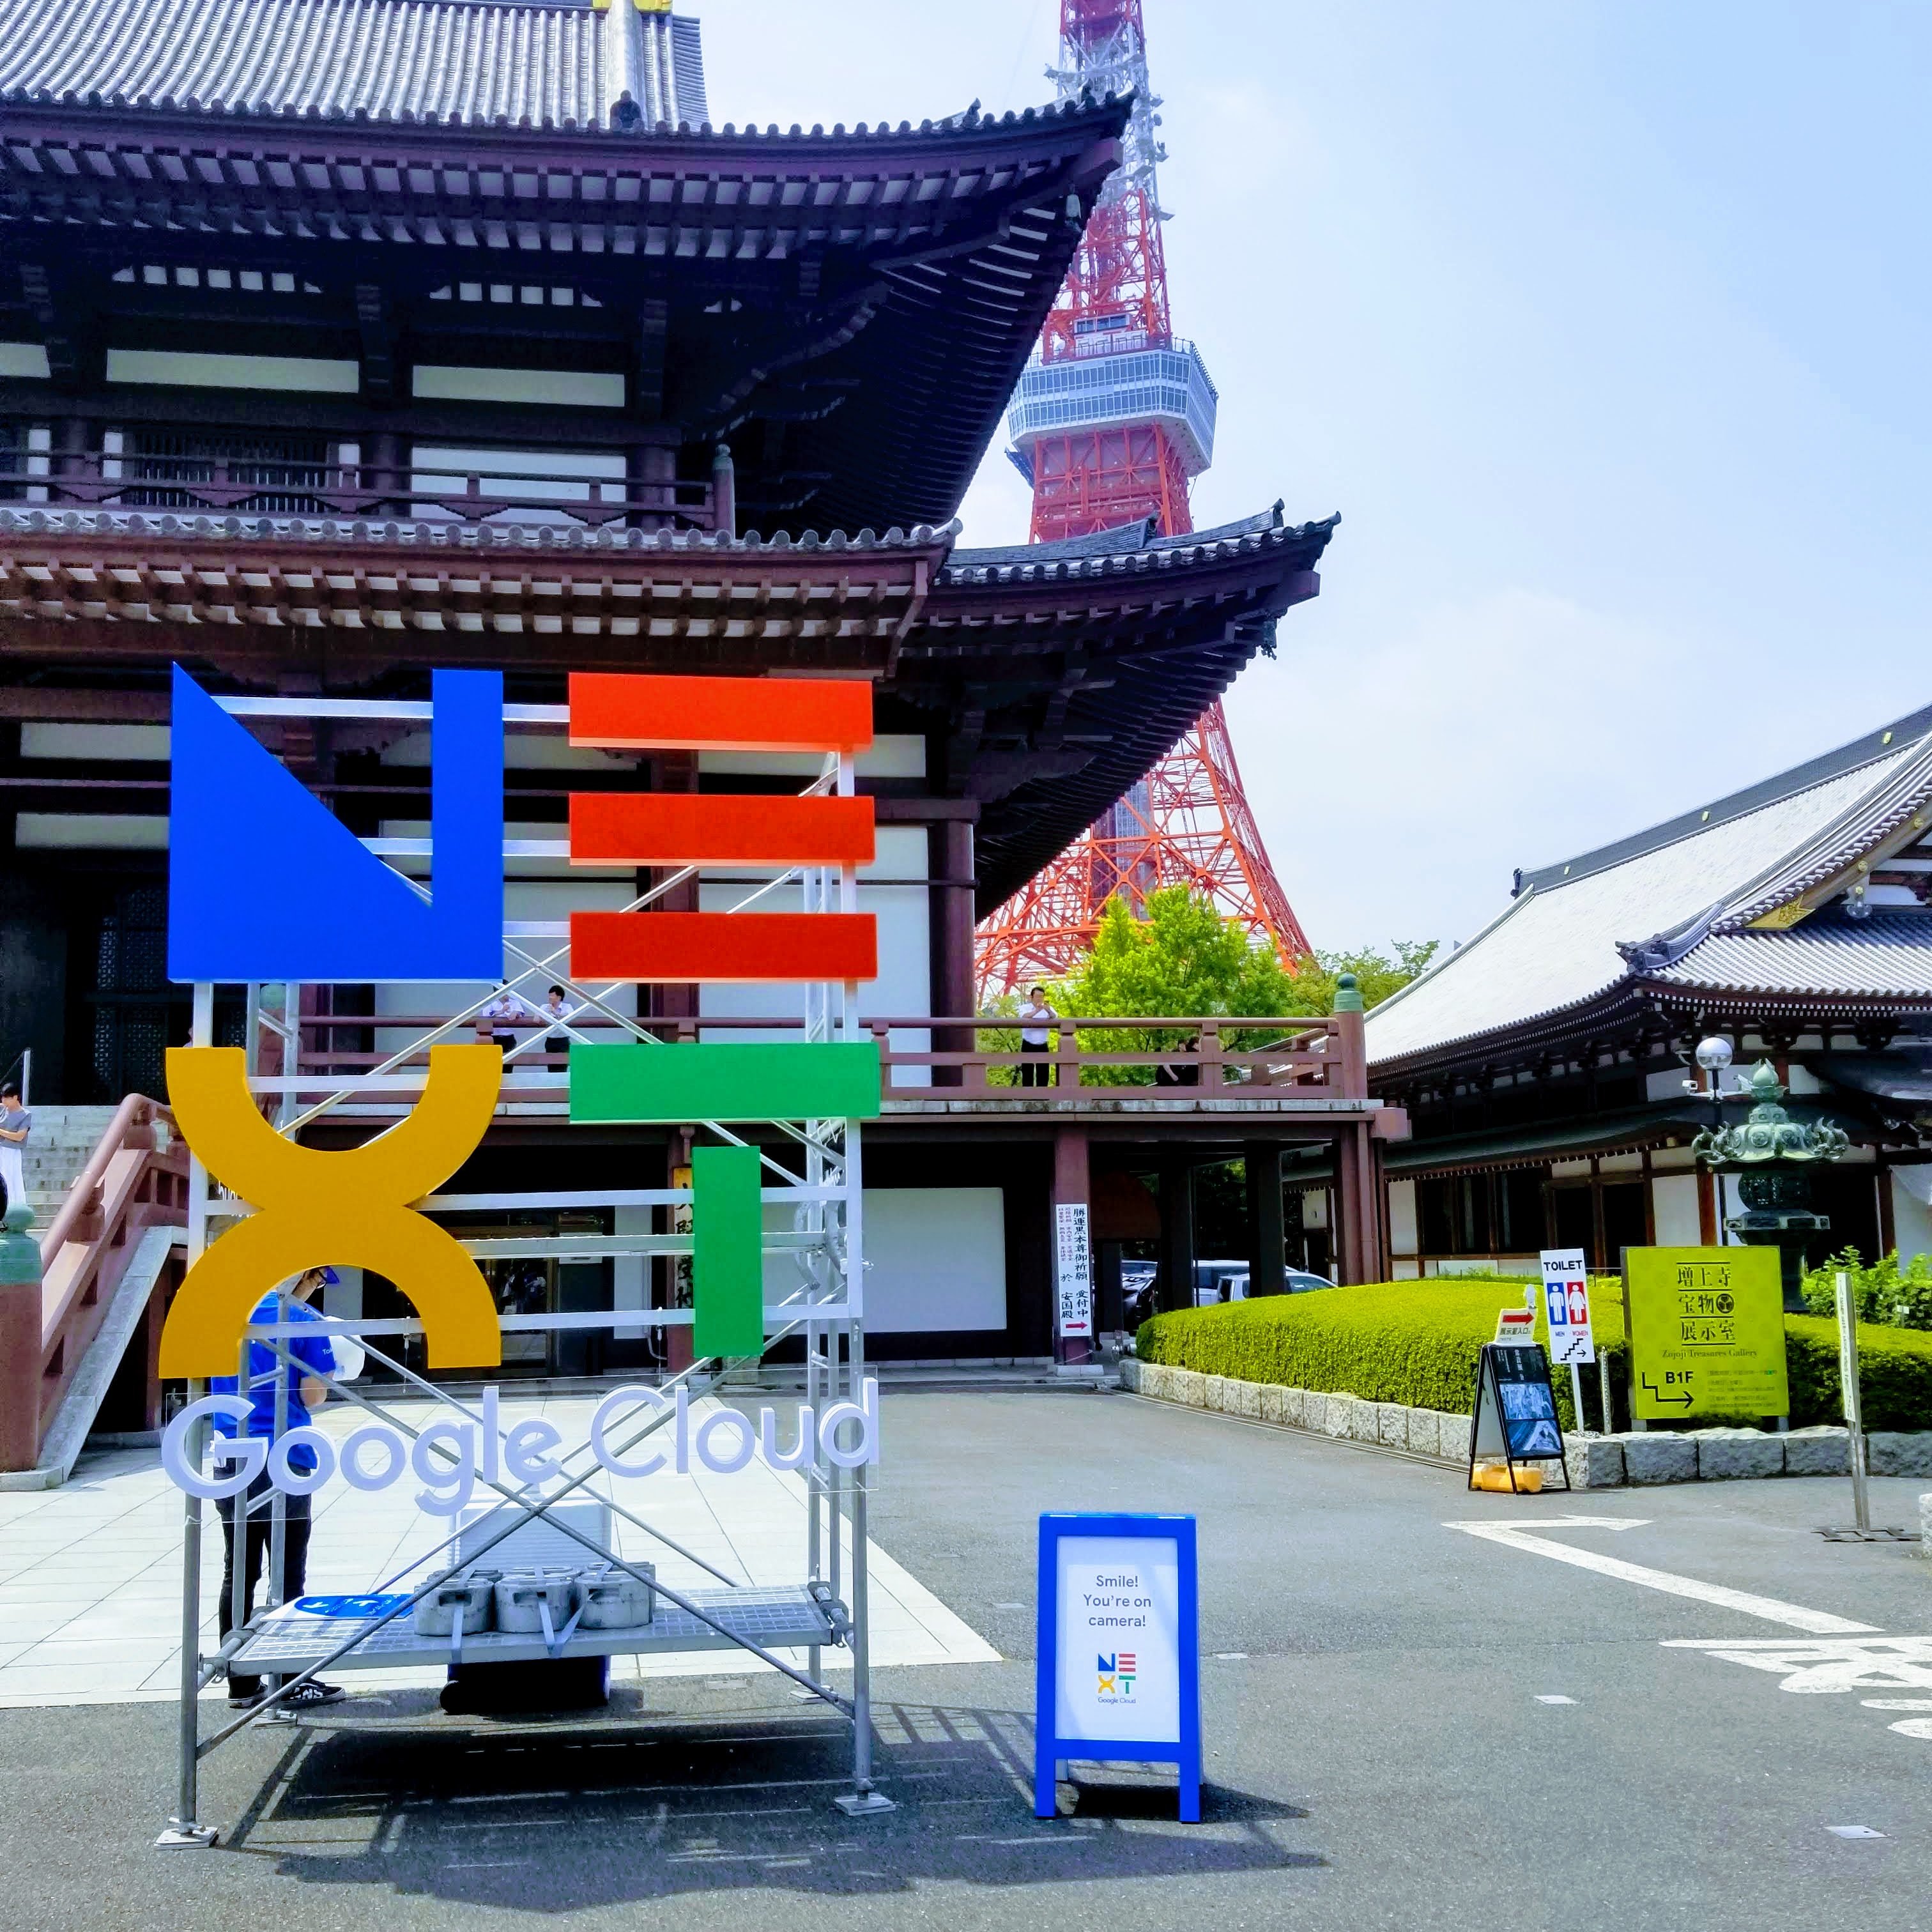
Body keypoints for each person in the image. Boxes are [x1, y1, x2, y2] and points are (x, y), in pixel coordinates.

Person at [210, 1266, 346, 1710]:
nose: (316, 1291)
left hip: (232, 1453)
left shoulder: (225, 1313)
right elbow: (312, 1395)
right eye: (317, 1281)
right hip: (285, 1454)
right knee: (287, 1571)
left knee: (239, 1570)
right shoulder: (303, 1321)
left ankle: (240, 1681)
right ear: (302, 1275)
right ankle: (291, 1679)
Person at [1016, 986, 1056, 1087]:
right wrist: (1037, 1011)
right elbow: (1023, 1016)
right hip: (1028, 1043)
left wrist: (1049, 1011)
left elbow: (1055, 1017)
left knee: (1043, 1074)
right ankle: (1028, 1095)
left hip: (1043, 1044)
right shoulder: (1025, 1007)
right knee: (1027, 1073)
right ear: (1032, 997)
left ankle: (1042, 1095)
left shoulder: (1048, 1008)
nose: (1040, 999)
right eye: (1038, 996)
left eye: (1042, 996)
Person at [0, 1082, 27, 1216]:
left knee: (11, 1179)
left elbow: (19, 1136)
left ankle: (13, 1210)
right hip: (1, 1149)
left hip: (12, 1152)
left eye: (7, 1098)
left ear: (16, 1097)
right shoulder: (3, 1109)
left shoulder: (25, 1115)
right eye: (3, 1098)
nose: (4, 1101)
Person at [480, 983, 532, 1050]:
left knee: (510, 1056)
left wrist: (516, 1013)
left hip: (509, 1037)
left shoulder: (515, 1003)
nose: (508, 993)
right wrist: (501, 1011)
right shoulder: (490, 1003)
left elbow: (521, 1013)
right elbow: (486, 1016)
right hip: (494, 1037)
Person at [540, 984, 577, 1056]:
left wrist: (555, 1012)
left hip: (563, 1039)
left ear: (559, 997)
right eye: (549, 995)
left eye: (552, 996)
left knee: (564, 1061)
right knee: (550, 1061)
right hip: (550, 1040)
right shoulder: (544, 1007)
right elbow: (536, 1019)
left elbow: (570, 1017)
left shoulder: (567, 1007)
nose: (550, 998)